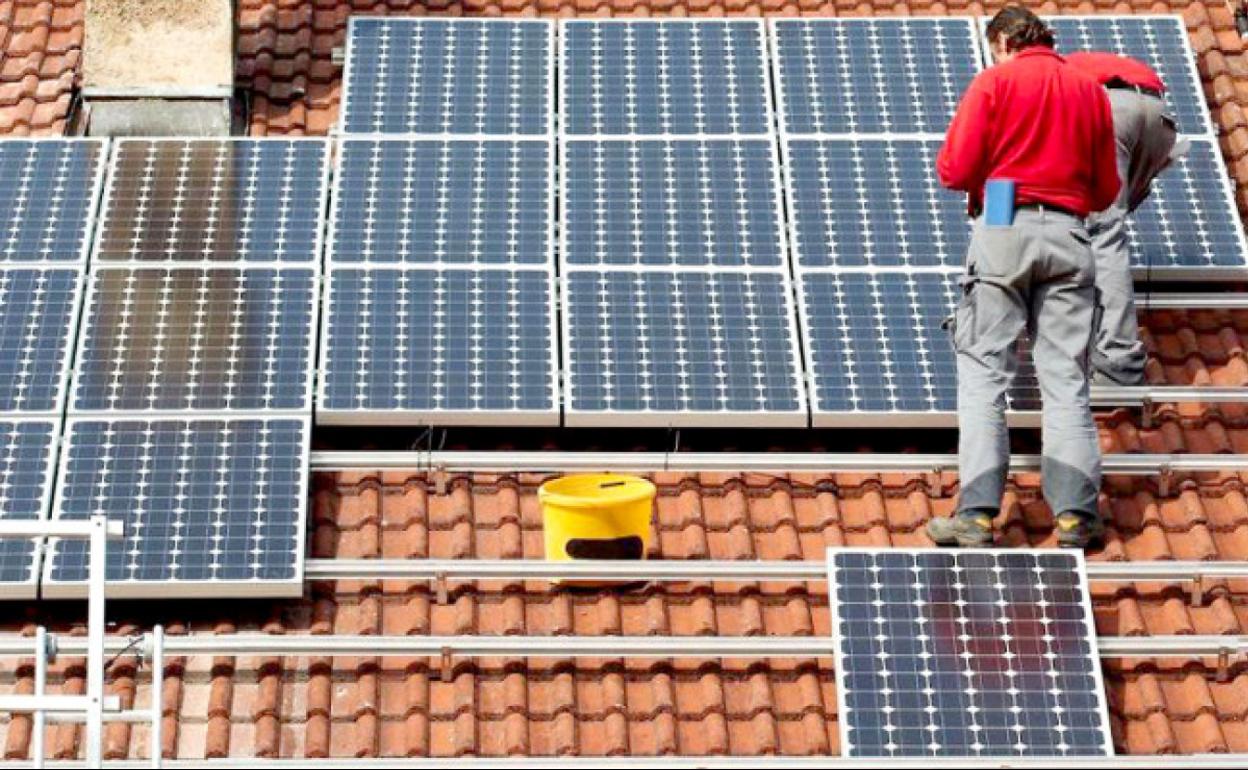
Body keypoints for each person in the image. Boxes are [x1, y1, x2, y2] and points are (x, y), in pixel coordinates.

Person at [925, 5, 1120, 549]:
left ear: (1006, 42)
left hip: (1004, 230)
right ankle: (1076, 516)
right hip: (1070, 237)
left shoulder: (993, 83)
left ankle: (978, 515)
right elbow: (1106, 190)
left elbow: (956, 170)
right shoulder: (1089, 92)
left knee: (985, 373)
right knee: (1065, 379)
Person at [1065, 50, 1187, 386]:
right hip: (1158, 118)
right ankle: (1100, 324)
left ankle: (1118, 357)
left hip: (1109, 112)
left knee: (1102, 230)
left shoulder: (1024, 81)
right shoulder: (1063, 65)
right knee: (1103, 222)